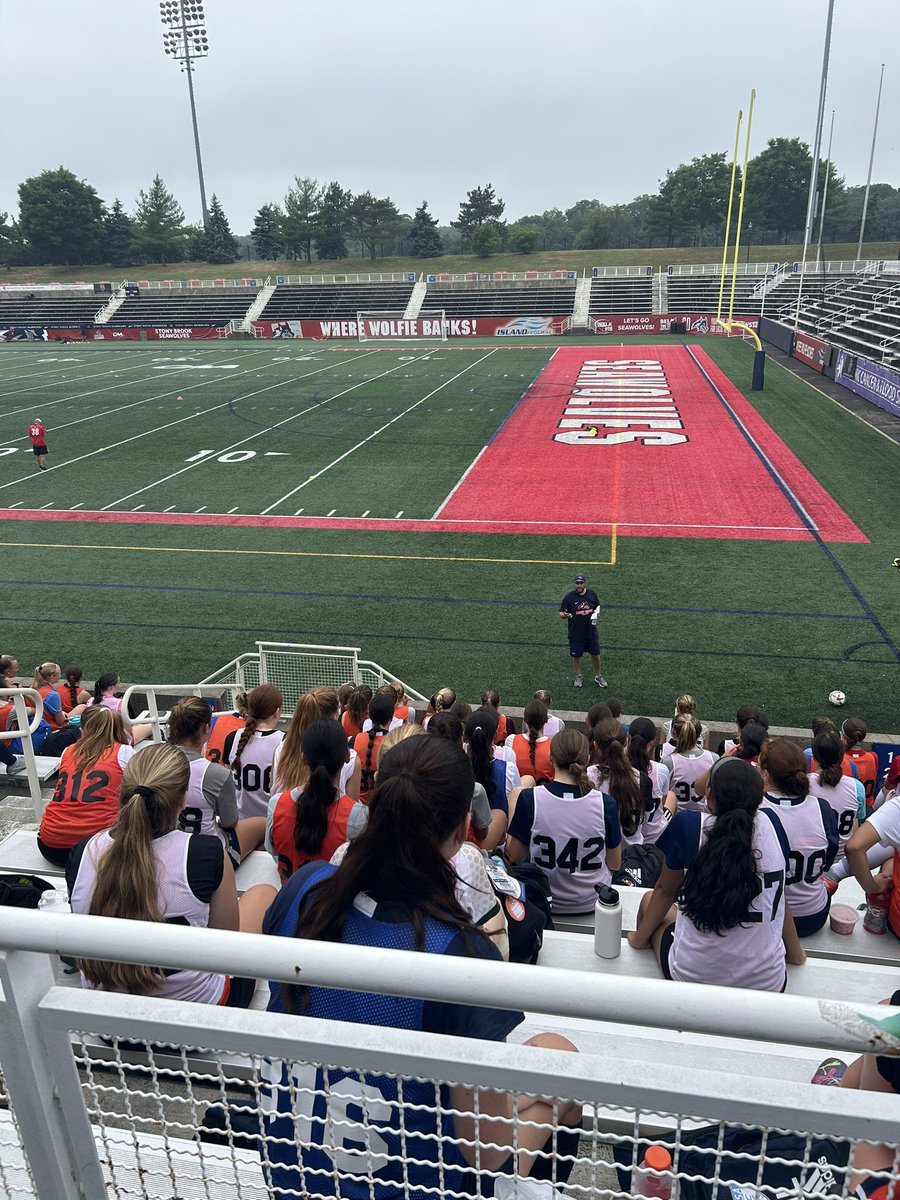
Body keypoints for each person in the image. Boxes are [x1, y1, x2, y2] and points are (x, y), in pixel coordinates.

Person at [262, 734, 582, 1198]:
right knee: (559, 1064)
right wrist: (539, 1102)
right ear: (459, 834)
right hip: (409, 1177)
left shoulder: (306, 888)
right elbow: (487, 1156)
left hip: (295, 1178)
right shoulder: (458, 953)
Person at [67, 742, 276, 1006]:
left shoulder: (83, 852)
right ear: (183, 799)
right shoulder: (204, 853)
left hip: (109, 1018)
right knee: (263, 893)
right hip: (198, 1016)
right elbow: (225, 946)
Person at [628, 757, 805, 990]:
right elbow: (780, 896)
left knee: (649, 899)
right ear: (758, 798)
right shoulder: (773, 823)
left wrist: (638, 940)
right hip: (767, 982)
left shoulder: (690, 825)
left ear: (709, 795)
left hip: (693, 975)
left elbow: (664, 892)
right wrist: (796, 954)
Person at [506, 729, 622, 914]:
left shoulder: (530, 799)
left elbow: (515, 855)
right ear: (586, 760)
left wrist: (513, 807)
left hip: (543, 900)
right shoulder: (605, 804)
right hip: (593, 902)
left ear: (551, 758)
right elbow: (615, 863)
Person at [168, 696, 265, 866]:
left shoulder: (149, 761)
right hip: (209, 855)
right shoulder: (215, 774)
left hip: (166, 849)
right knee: (264, 824)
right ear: (206, 728)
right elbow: (230, 822)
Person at [37, 706, 135, 866]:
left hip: (50, 846)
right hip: (97, 847)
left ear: (82, 730)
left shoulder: (68, 751)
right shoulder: (124, 752)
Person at [760, 738, 838, 936]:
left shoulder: (756, 808)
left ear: (766, 774)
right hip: (815, 914)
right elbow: (828, 860)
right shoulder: (822, 808)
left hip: (771, 918)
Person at [266, 719, 356, 882]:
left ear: (303, 758)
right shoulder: (357, 816)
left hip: (289, 900)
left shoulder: (276, 804)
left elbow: (272, 851)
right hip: (330, 905)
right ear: (347, 756)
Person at [274, 686, 360, 801]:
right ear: (334, 716)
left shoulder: (282, 750)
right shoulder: (350, 758)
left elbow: (274, 794)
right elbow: (351, 812)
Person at [589, 719, 657, 845]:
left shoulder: (586, 777)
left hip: (599, 857)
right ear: (626, 740)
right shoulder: (643, 779)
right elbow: (647, 819)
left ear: (596, 746)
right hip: (632, 858)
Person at [222, 684, 284, 819]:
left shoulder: (232, 738)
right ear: (277, 712)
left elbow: (228, 783)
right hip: (271, 822)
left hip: (240, 822)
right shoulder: (284, 740)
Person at [464, 707, 520, 852]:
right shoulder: (509, 770)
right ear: (495, 735)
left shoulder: (451, 765)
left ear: (465, 736)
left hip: (459, 838)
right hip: (486, 846)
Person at [807, 730, 864, 866]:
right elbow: (856, 824)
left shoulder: (804, 784)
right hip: (843, 860)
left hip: (811, 859)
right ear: (842, 756)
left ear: (814, 758)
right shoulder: (856, 786)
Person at [559, 573, 606, 688]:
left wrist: (596, 615)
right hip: (576, 633)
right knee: (576, 656)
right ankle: (578, 676)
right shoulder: (569, 597)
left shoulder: (592, 595)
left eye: (581, 583)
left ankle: (598, 676)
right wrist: (565, 615)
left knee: (596, 654)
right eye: (577, 583)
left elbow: (597, 607)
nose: (579, 585)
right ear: (574, 584)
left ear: (585, 584)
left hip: (591, 632)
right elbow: (561, 613)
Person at [662, 714, 718, 812]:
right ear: (699, 734)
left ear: (673, 733)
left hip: (676, 820)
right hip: (705, 819)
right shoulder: (713, 758)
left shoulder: (668, 762)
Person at [349, 690, 395, 801]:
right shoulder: (394, 743)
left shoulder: (354, 740)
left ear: (370, 715)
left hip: (355, 804)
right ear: (391, 717)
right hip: (383, 806)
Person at [505, 698, 553, 784]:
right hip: (543, 797)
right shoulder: (554, 747)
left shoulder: (511, 741)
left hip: (517, 796)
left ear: (524, 720)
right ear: (546, 720)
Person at [841, 718, 879, 814]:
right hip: (868, 807)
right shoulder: (873, 757)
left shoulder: (841, 760)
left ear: (844, 738)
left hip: (848, 809)